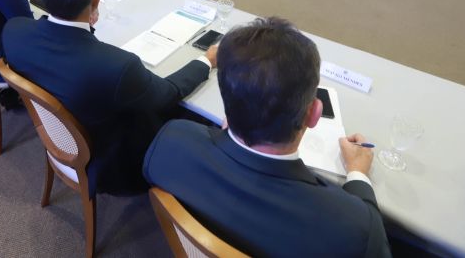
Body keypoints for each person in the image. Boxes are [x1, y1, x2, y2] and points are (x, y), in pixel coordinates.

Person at [144, 17, 391, 257]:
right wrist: (358, 173)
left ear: (227, 101)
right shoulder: (352, 228)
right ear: (314, 114)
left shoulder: (170, 140)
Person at [2, 0, 214, 195]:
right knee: (194, 114)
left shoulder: (14, 32)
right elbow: (167, 93)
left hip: (61, 138)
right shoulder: (117, 66)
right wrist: (207, 60)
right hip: (114, 167)